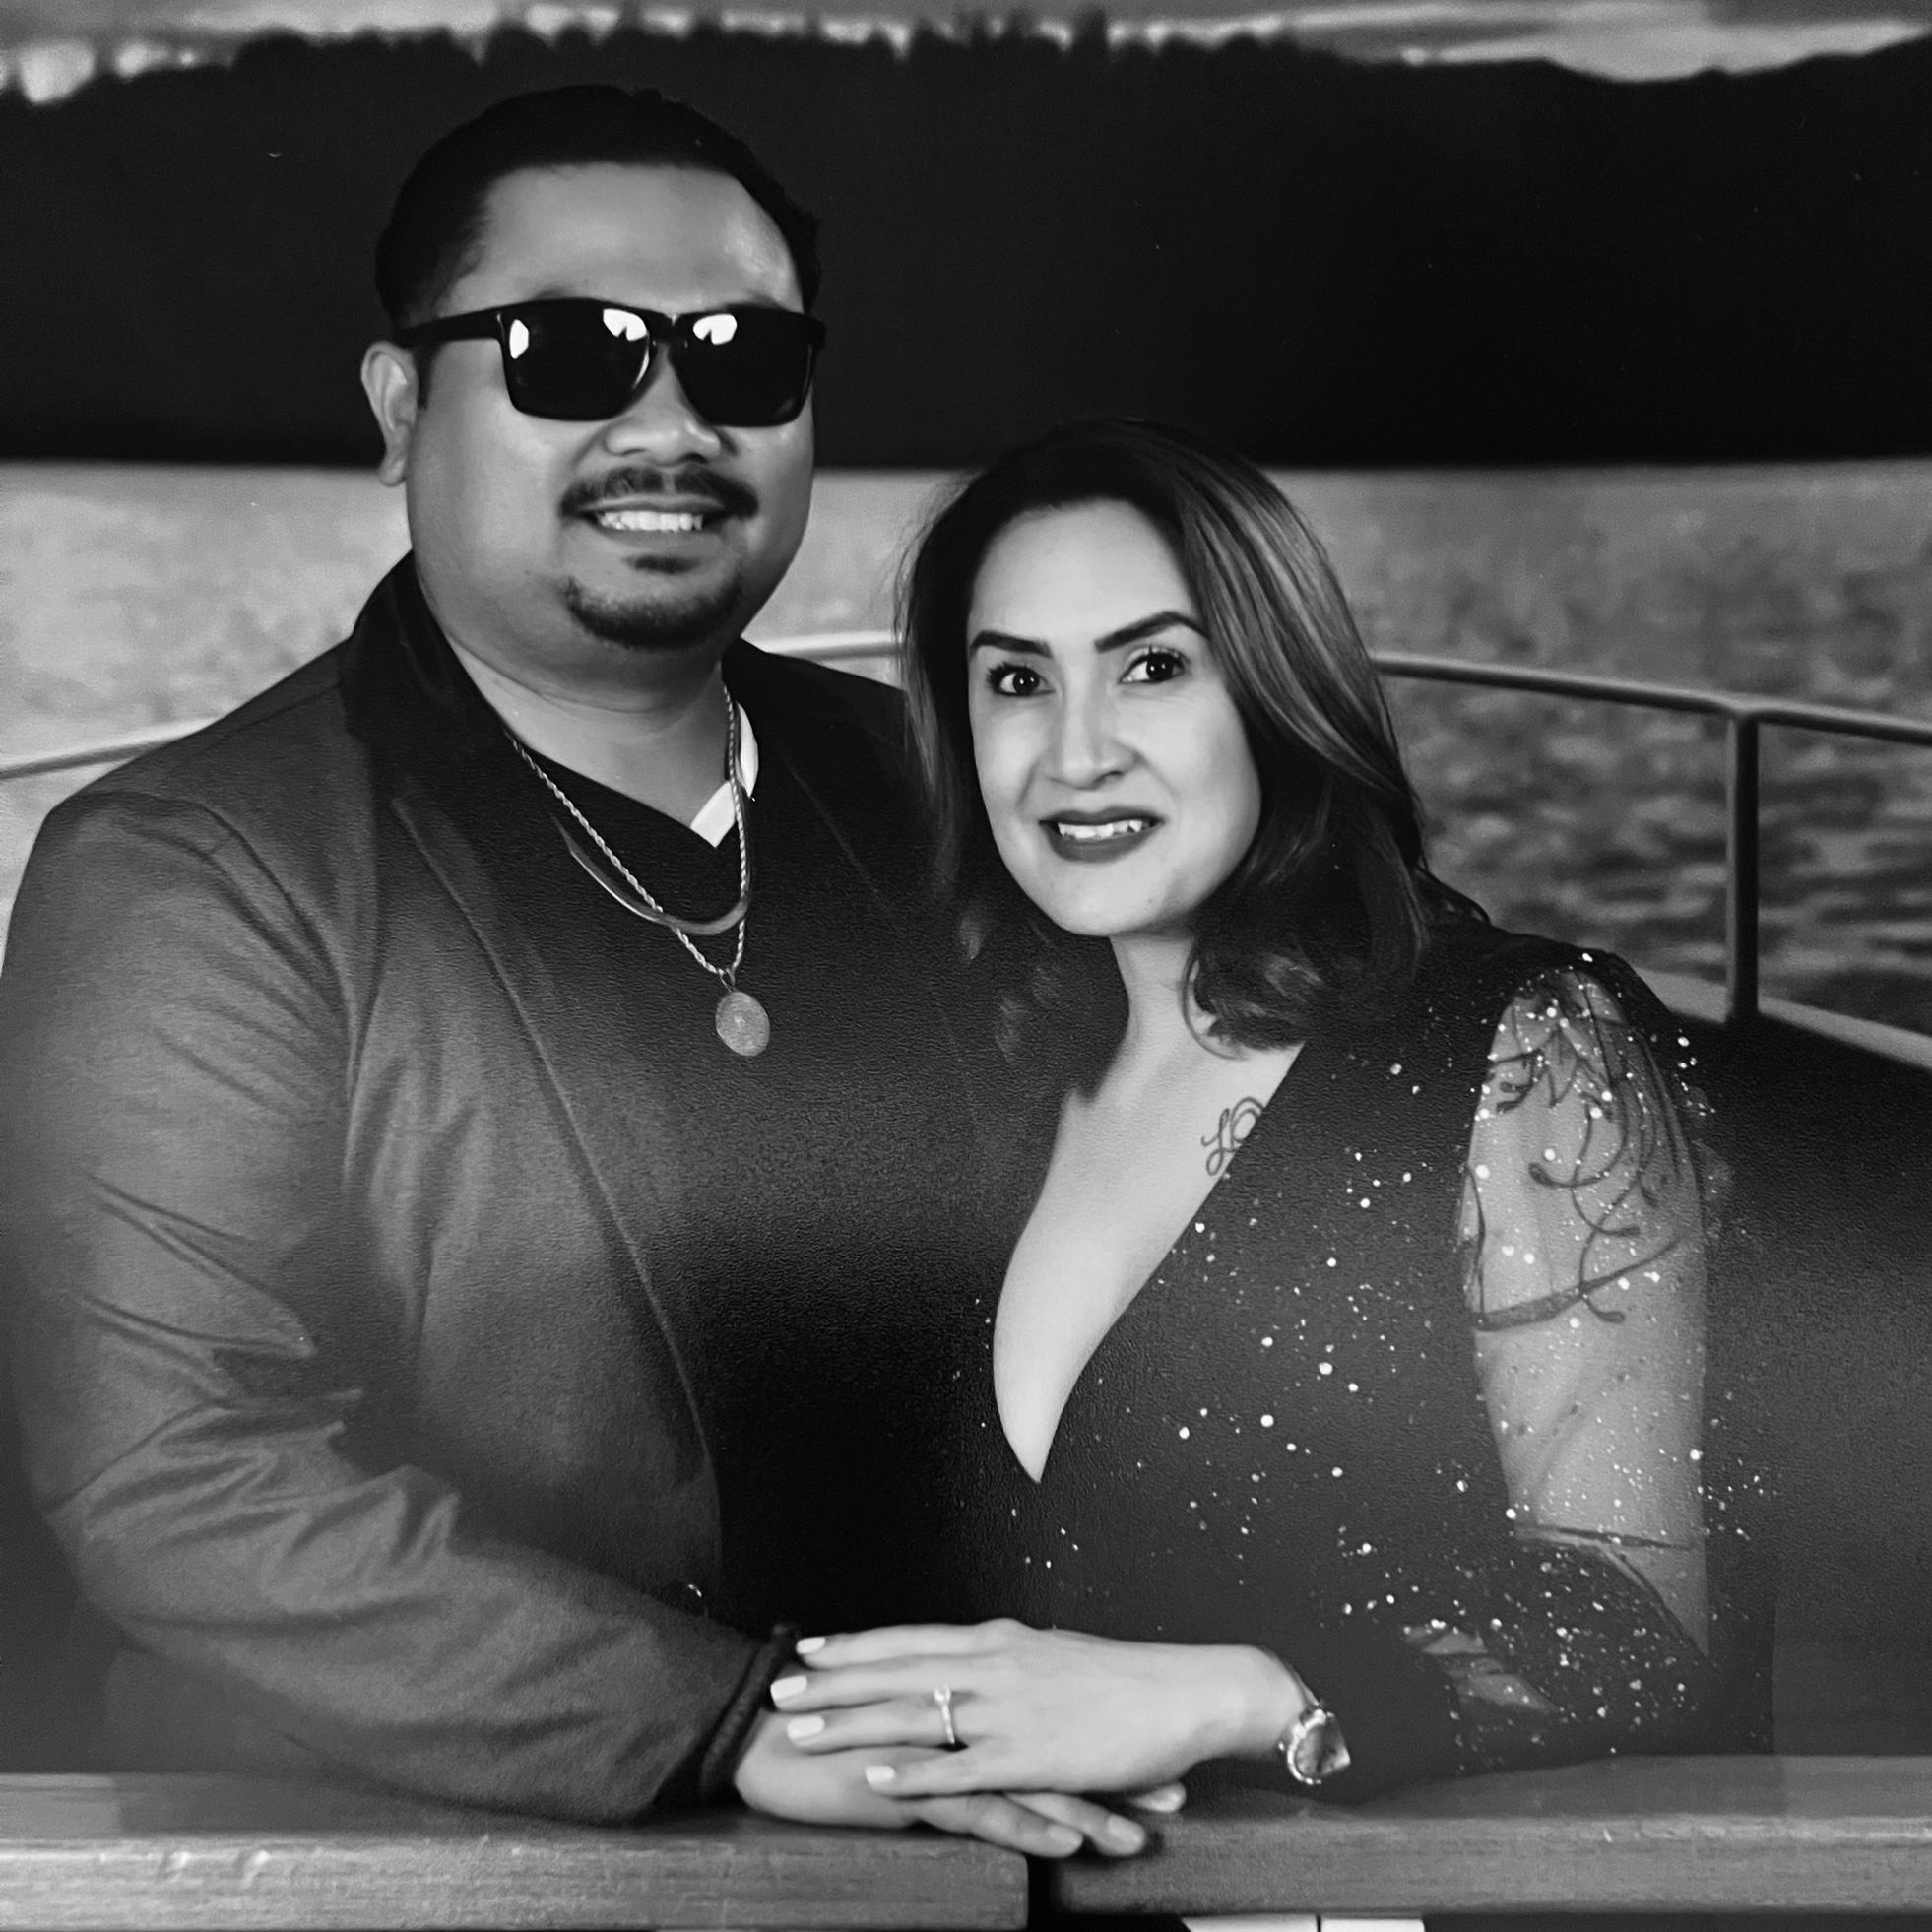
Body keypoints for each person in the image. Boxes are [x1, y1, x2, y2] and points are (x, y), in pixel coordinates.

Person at [0, 88, 1151, 1856]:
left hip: (1024, 1812)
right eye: (570, 352)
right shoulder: (198, 875)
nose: (671, 422)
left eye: (742, 357)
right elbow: (182, 1473)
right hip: (469, 1860)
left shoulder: (943, 789)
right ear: (401, 408)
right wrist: (735, 1721)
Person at [766, 418, 1765, 1804]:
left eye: (1152, 667)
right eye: (1017, 681)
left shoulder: (1522, 1048)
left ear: (1276, 695)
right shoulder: (989, 1073)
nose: (1075, 753)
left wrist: (1234, 1698)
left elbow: (1649, 1632)